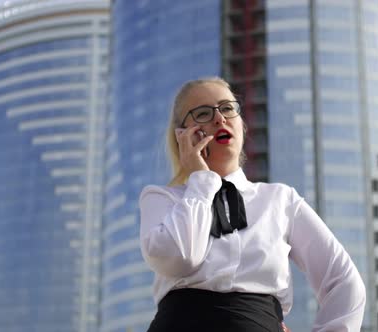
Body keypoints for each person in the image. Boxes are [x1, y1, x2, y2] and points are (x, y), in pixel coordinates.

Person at [139, 77, 366, 332]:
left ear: (242, 124)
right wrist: (201, 182)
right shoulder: (161, 198)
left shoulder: (280, 200)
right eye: (203, 113)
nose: (219, 119)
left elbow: (344, 281)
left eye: (227, 108)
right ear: (182, 136)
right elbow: (179, 258)